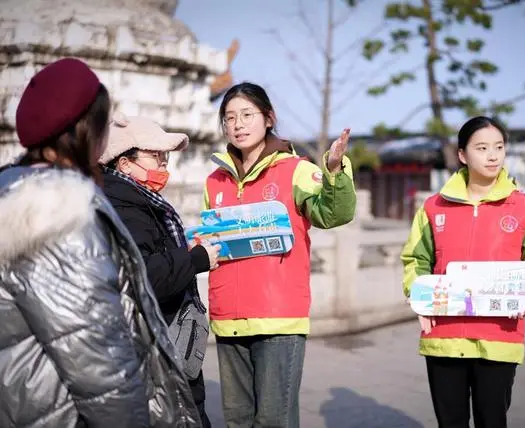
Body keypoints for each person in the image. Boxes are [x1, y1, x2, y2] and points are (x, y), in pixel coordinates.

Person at [0, 58, 202, 427]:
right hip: (63, 410)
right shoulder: (61, 215)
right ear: (86, 131)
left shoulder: (13, 190)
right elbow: (97, 361)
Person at [204, 82, 357, 427]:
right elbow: (211, 239)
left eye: (247, 115)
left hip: (278, 317)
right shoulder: (215, 181)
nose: (238, 124)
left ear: (268, 119)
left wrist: (334, 171)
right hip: (228, 317)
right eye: (230, 118)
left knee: (274, 420)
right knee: (238, 420)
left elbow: (333, 215)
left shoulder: (295, 170)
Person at [400, 116, 525, 428]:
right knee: (451, 422)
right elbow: (415, 259)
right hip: (444, 336)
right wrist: (418, 296)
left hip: (500, 335)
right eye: (482, 147)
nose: (492, 155)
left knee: (492, 420)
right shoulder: (434, 207)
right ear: (462, 155)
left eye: (499, 147)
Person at [99, 111, 220, 428]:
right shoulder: (126, 208)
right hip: (153, 350)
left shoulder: (138, 200)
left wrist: (186, 248)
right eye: (156, 157)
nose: (164, 166)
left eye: (166, 158)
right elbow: (148, 276)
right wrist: (196, 260)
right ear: (125, 164)